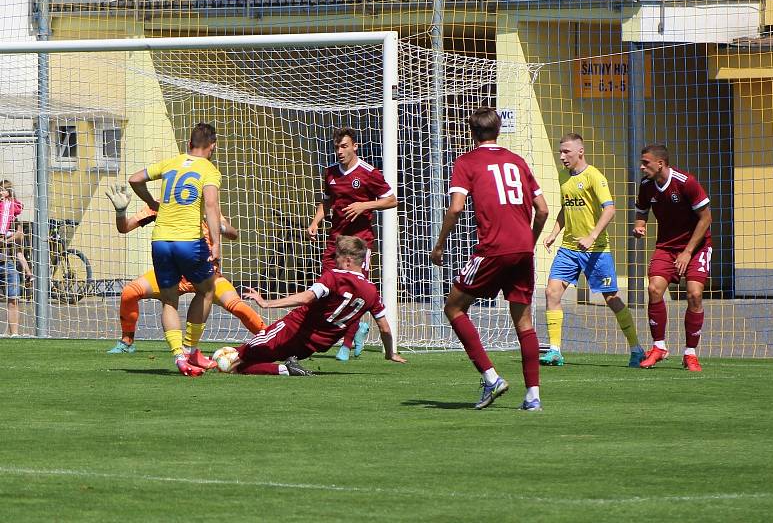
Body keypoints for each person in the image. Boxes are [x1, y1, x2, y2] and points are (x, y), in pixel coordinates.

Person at [430, 107, 549, 411]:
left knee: (454, 307)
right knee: (523, 321)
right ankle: (533, 396)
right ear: (498, 130)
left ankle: (491, 377)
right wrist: (528, 242)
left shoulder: (467, 162)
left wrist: (440, 245)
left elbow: (456, 208)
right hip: (522, 249)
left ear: (472, 133)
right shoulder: (518, 161)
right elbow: (543, 209)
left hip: (493, 249)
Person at [104, 186, 267, 354]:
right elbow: (124, 228)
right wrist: (121, 211)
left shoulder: (206, 207)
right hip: (173, 274)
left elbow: (233, 234)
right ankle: (127, 341)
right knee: (129, 293)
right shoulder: (160, 205)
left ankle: (272, 339)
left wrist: (216, 224)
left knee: (238, 307)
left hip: (207, 276)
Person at [222, 235, 406, 375]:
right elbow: (385, 328)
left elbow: (307, 297)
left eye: (337, 257)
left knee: (235, 359)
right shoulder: (372, 292)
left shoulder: (334, 276)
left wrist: (267, 303)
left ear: (348, 260)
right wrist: (390, 353)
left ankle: (200, 361)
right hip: (312, 346)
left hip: (292, 330)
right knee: (240, 365)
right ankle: (286, 369)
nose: (335, 261)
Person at [541, 134, 645, 367]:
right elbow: (566, 208)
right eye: (560, 152)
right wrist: (554, 233)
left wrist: (592, 236)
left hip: (596, 250)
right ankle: (555, 350)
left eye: (566, 151)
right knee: (552, 292)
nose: (562, 156)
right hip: (569, 248)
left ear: (580, 151)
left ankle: (636, 349)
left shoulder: (594, 176)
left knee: (612, 298)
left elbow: (609, 209)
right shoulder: (563, 176)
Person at [128, 123, 222, 377]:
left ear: (188, 143)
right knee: (207, 290)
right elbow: (211, 206)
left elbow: (134, 178)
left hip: (160, 241)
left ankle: (179, 357)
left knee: (169, 300)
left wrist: (150, 202)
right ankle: (191, 350)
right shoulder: (209, 169)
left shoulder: (171, 163)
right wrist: (216, 242)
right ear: (211, 146)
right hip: (188, 241)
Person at [307, 127, 398, 362]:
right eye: (337, 147)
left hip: (360, 243)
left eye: (344, 146)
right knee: (326, 289)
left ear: (355, 146)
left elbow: (391, 200)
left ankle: (346, 346)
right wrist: (316, 222)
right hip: (336, 240)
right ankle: (354, 329)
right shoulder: (330, 173)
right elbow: (326, 202)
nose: (339, 151)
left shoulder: (369, 173)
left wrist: (364, 206)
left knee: (355, 292)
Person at [632, 144, 712, 372]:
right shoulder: (647, 186)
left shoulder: (686, 183)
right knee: (654, 289)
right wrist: (640, 225)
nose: (642, 166)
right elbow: (642, 209)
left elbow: (706, 218)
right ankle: (659, 347)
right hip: (666, 247)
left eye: (645, 162)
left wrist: (687, 252)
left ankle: (690, 354)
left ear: (660, 163)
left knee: (695, 294)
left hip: (697, 247)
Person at [0, 180, 23, 336]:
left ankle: (14, 334)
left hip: (6, 262)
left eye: (2, 190)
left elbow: (20, 237)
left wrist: (5, 239)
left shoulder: (12, 212)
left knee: (13, 299)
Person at [0, 181, 32, 286]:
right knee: (19, 253)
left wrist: (2, 235)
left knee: (8, 248)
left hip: (8, 232)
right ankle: (29, 273)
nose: (0, 192)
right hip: (14, 232)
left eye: (2, 190)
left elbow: (4, 220)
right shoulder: (14, 203)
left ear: (8, 191)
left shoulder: (6, 204)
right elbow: (18, 209)